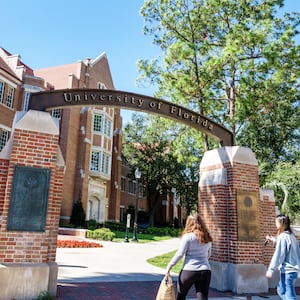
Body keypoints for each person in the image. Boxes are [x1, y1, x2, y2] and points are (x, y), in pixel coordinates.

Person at [166, 214, 213, 300]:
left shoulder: (187, 237)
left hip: (189, 270)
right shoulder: (207, 237)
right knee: (202, 297)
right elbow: (208, 255)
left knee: (181, 295)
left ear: (188, 223)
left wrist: (170, 266)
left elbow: (180, 253)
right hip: (205, 270)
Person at [265, 214, 300, 300]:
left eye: (276, 222)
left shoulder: (283, 237)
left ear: (282, 223)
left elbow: (279, 254)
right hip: (292, 271)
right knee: (281, 290)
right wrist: (273, 240)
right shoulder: (291, 236)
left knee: (290, 296)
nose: (275, 224)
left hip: (288, 271)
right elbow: (284, 247)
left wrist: (271, 270)